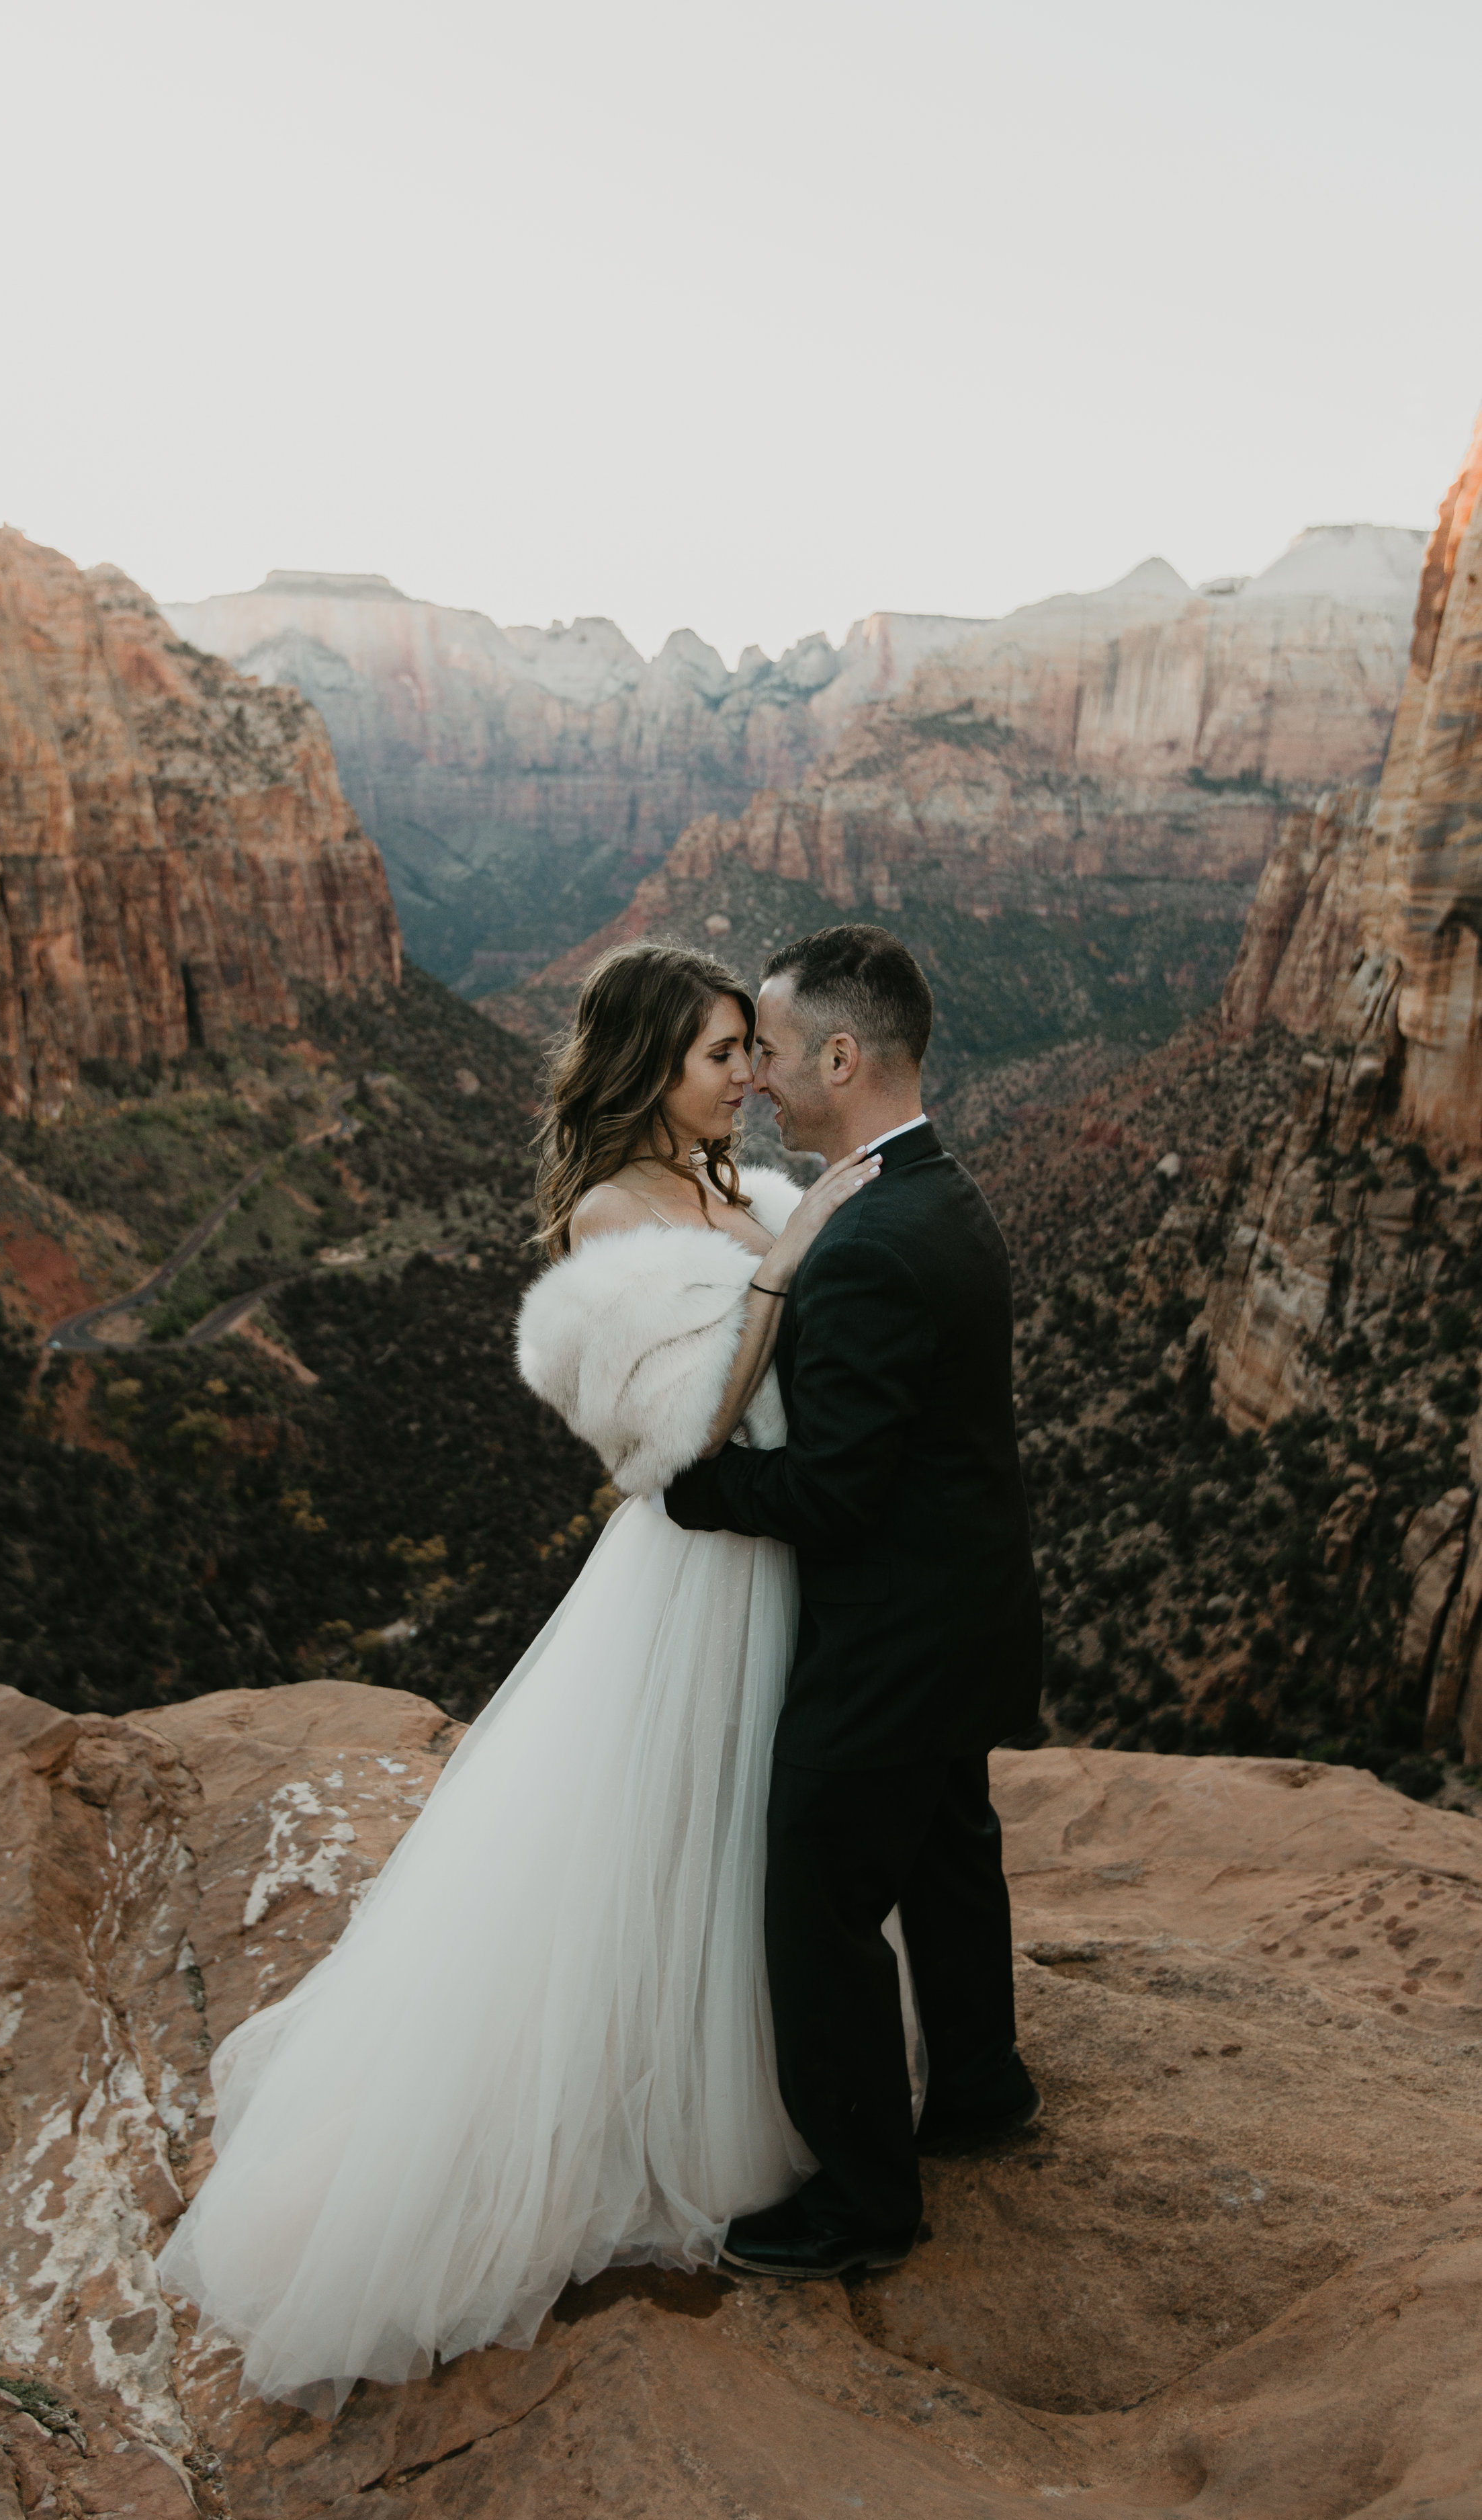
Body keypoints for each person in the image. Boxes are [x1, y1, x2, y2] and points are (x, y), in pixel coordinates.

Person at [157, 939, 879, 2407]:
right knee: (671, 1827)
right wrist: (791, 1268)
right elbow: (667, 1430)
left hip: (789, 1554)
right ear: (644, 1070)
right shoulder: (613, 1209)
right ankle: (638, 2107)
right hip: (701, 1568)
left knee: (763, 1829)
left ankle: (771, 2056)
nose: (748, 1078)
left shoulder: (726, 1186)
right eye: (718, 1057)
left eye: (752, 1050)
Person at [665, 923, 1043, 2281]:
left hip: (887, 1639)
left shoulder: (873, 1242)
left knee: (814, 1904)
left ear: (839, 1052)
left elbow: (829, 1499)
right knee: (946, 1854)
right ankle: (981, 2086)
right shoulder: (925, 1191)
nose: (755, 1076)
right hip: (964, 1616)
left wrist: (687, 1488)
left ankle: (862, 2203)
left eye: (766, 1048)